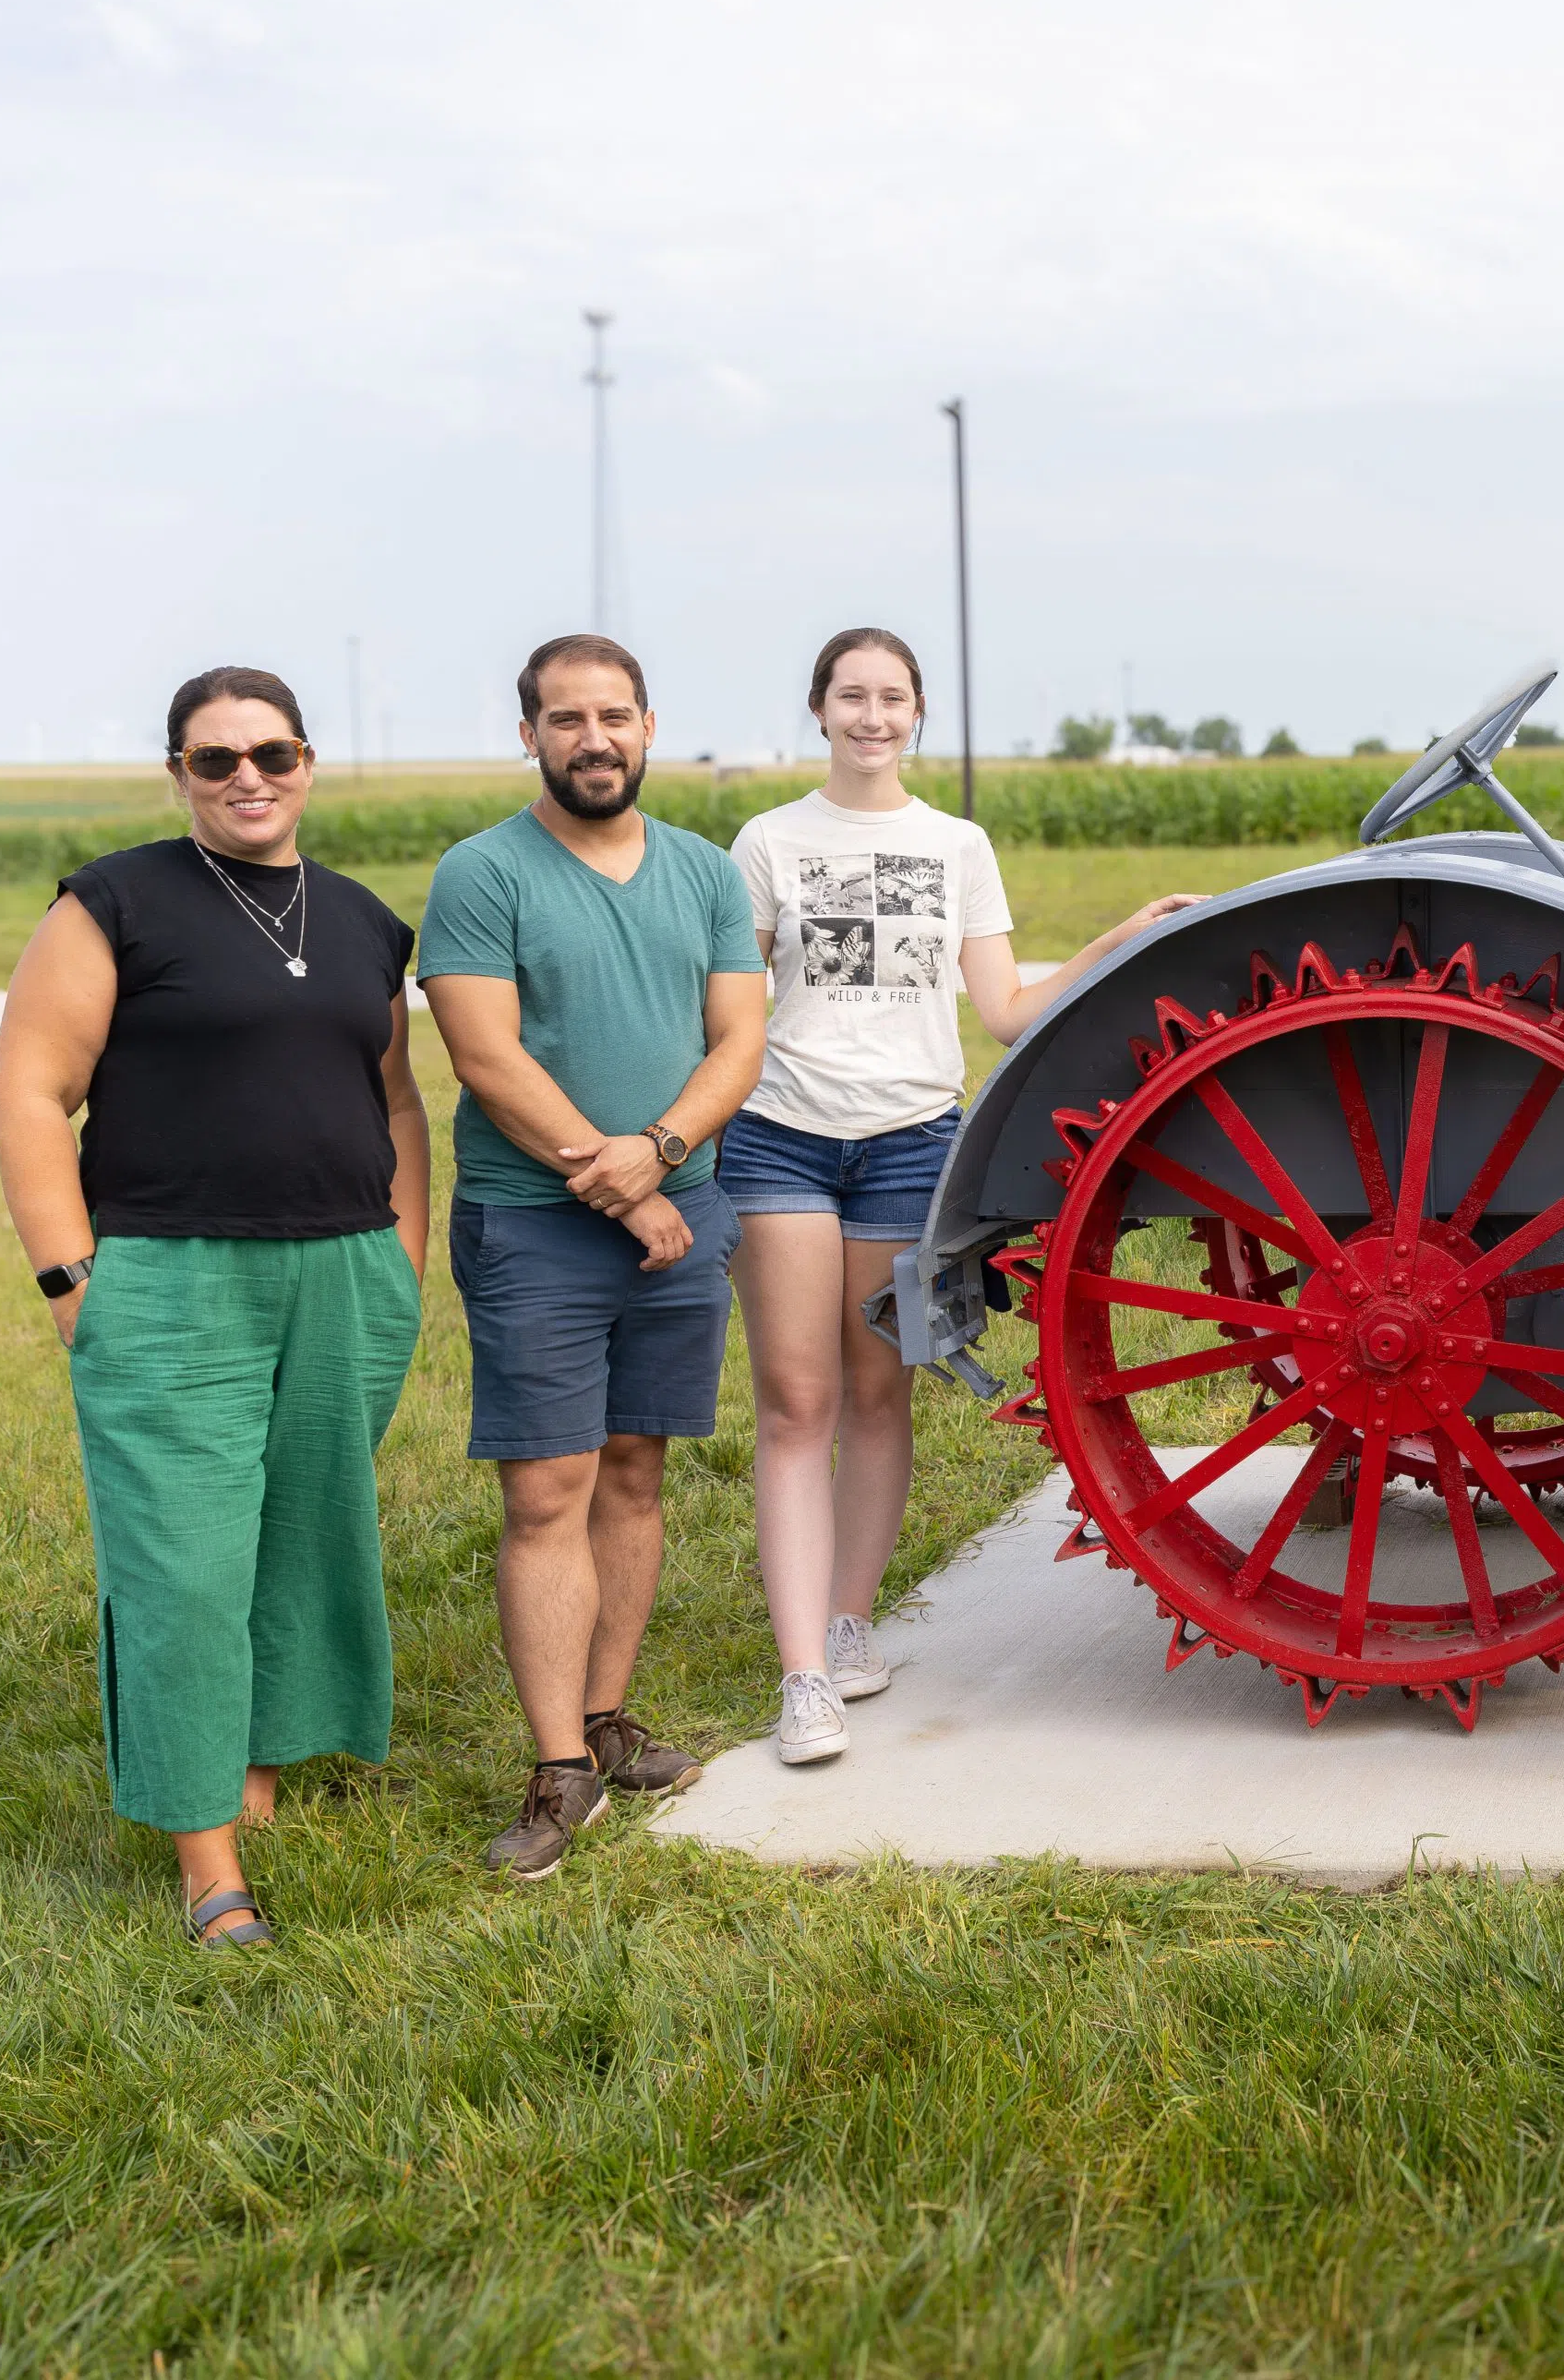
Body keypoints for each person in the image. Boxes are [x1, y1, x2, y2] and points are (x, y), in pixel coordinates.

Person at [0, 668, 429, 1947]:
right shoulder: (113, 902)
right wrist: (73, 1278)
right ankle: (206, 1857)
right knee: (182, 1562)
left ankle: (261, 1766)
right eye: (216, 759)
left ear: (308, 761)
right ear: (178, 772)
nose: (249, 779)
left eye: (272, 754)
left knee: (307, 1534)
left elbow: (395, 1100)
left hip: (343, 1272)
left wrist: (398, 1256)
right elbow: (27, 1094)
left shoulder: (358, 920)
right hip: (171, 1278)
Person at [723, 627, 1196, 1765]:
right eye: (851, 696)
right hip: (781, 1140)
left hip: (909, 1142)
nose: (871, 715)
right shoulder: (768, 841)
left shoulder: (956, 845)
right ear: (820, 710)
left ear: (917, 713)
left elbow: (1002, 1011)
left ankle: (848, 1626)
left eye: (891, 697)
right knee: (797, 1403)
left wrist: (1118, 939)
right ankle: (802, 1683)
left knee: (879, 1397)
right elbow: (736, 1009)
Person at [419, 634, 766, 1877]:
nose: (593, 737)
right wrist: (618, 1186)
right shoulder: (483, 872)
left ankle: (610, 1719)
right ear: (530, 736)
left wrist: (665, 1148)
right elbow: (488, 1058)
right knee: (547, 1491)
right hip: (537, 1224)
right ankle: (558, 1766)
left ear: (649, 725)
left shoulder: (706, 874)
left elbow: (738, 1039)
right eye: (565, 719)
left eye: (612, 715)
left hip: (683, 1209)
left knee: (635, 1470)